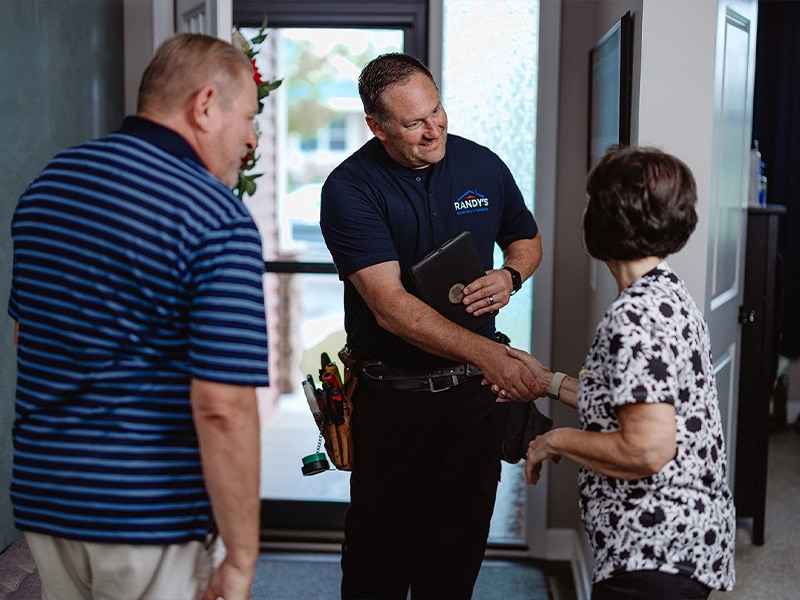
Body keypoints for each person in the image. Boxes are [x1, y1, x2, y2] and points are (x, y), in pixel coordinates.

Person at [9, 33, 269, 600]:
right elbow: (223, 406)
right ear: (204, 106)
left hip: (45, 502)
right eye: (248, 118)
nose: (250, 140)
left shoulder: (50, 185)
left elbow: (27, 336)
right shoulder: (213, 216)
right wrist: (243, 556)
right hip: (147, 515)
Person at [319, 52, 545, 599]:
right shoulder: (349, 189)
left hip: (472, 406)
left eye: (437, 110)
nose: (433, 129)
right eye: (413, 122)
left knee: (456, 564)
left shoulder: (483, 165)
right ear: (376, 126)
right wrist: (489, 354)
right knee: (378, 568)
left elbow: (527, 238)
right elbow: (390, 306)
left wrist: (511, 276)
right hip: (391, 406)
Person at [506, 146, 735, 599]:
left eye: (591, 202)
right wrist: (547, 382)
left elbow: (646, 450)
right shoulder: (666, 291)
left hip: (655, 550)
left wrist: (553, 440)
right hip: (685, 540)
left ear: (608, 220)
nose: (584, 211)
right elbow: (636, 400)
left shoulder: (634, 317)